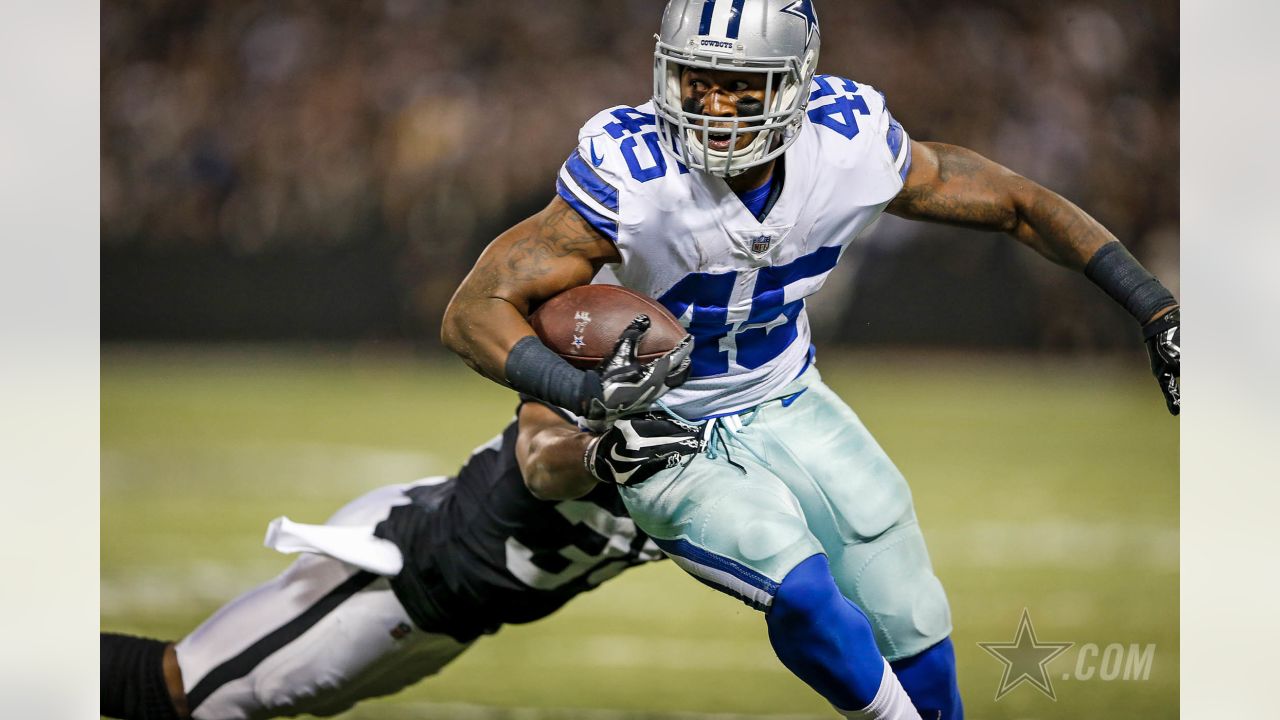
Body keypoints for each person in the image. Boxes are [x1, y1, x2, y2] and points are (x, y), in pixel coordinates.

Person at [440, 2, 1180, 719]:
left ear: (794, 85)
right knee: (792, 581)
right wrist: (590, 397)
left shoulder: (846, 143)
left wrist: (1153, 304)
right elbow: (472, 311)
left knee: (907, 606)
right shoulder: (633, 174)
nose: (715, 107)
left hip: (786, 394)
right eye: (697, 80)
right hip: (665, 427)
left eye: (740, 85)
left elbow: (1016, 202)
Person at [101, 397, 705, 720]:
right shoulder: (608, 377)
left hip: (456, 621)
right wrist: (606, 452)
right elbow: (543, 462)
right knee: (189, 693)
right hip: (396, 568)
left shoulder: (720, 461)